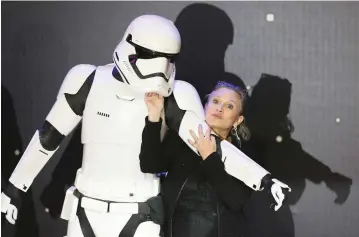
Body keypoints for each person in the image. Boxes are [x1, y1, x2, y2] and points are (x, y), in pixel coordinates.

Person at [1, 14, 289, 237]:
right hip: (85, 208)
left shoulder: (177, 93)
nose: (161, 67)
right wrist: (15, 187)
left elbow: (209, 145)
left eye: (169, 58)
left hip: (141, 213)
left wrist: (262, 178)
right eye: (152, 55)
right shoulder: (88, 80)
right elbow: (49, 136)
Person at [140, 80, 271, 237]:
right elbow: (149, 165)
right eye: (215, 101)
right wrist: (154, 116)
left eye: (229, 106)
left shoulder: (244, 156)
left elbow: (235, 200)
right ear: (205, 106)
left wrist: (209, 156)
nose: (220, 108)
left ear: (237, 120)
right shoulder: (181, 140)